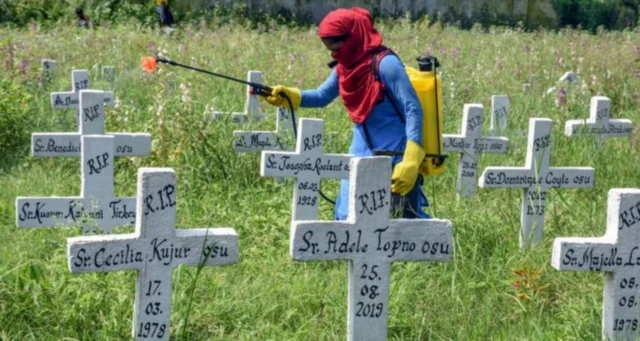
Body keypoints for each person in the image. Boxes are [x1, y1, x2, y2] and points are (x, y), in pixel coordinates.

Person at [261, 7, 430, 220]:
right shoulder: (346, 66)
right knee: (347, 217)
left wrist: (412, 159)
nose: (334, 55)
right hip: (360, 153)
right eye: (330, 50)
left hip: (395, 156)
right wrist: (289, 96)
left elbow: (413, 108)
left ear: (353, 38)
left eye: (337, 48)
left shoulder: (386, 64)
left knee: (399, 225)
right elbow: (322, 95)